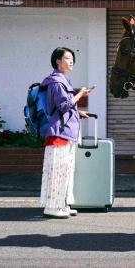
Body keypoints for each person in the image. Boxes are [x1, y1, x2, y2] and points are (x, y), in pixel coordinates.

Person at [40, 47, 92, 218]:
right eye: (68, 58)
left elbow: (63, 107)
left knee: (66, 170)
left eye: (72, 58)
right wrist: (80, 94)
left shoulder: (63, 80)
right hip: (59, 134)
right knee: (57, 171)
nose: (71, 61)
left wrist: (78, 112)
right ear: (57, 60)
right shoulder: (56, 82)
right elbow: (63, 106)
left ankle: (62, 204)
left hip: (65, 132)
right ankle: (52, 207)